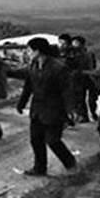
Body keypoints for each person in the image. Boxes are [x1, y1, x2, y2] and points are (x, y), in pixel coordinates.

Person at [14, 37, 78, 176]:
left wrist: (70, 109)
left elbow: (67, 90)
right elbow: (28, 86)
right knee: (35, 140)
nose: (28, 52)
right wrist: (22, 103)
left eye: (29, 50)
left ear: (37, 51)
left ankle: (70, 164)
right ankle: (39, 168)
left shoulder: (58, 67)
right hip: (37, 108)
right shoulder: (33, 65)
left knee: (53, 140)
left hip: (54, 109)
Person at [71, 36, 98, 122]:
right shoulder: (73, 54)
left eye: (76, 43)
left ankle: (90, 114)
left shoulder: (88, 54)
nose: (74, 45)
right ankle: (83, 115)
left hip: (87, 77)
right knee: (79, 98)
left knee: (89, 99)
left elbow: (92, 66)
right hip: (78, 78)